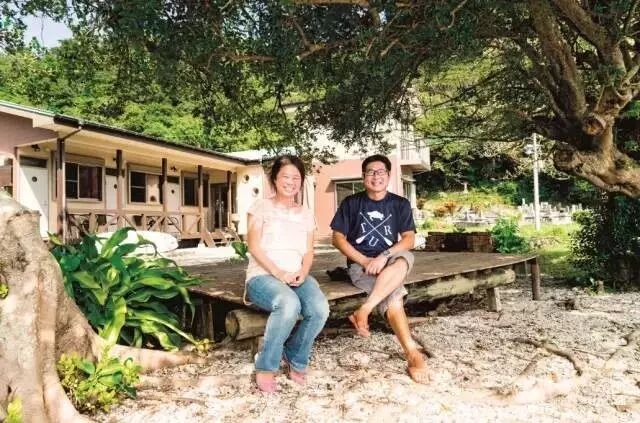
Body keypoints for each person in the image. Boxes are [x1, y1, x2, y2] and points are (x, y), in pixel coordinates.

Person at [330, 154, 429, 383]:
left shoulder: (399, 204)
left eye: (381, 171)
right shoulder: (351, 203)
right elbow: (337, 238)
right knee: (394, 295)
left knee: (405, 257)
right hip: (361, 266)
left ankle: (365, 309)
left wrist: (384, 256)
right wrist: (365, 261)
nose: (376, 176)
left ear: (389, 175)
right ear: (363, 176)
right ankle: (412, 353)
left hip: (391, 261)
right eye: (371, 172)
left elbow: (408, 239)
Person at [245, 155, 330, 393]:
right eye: (285, 176)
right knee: (288, 304)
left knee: (320, 309)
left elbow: (309, 251)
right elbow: (254, 247)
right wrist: (278, 272)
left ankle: (295, 355)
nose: (290, 182)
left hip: (296, 275)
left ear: (301, 181)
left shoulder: (305, 213)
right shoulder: (260, 207)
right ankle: (266, 365)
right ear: (274, 179)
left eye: (296, 177)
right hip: (263, 276)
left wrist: (303, 272)